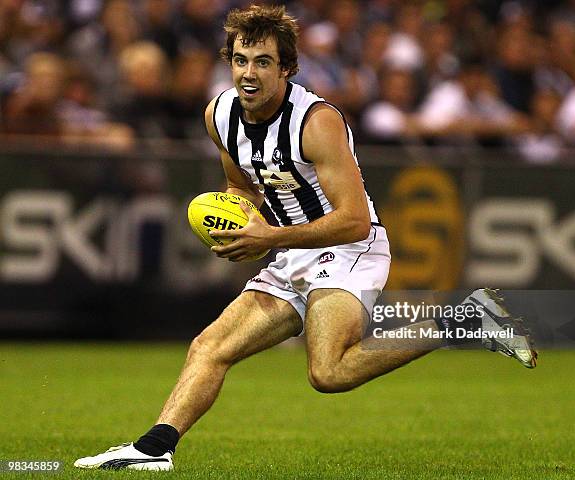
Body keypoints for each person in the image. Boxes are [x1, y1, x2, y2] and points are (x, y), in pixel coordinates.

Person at [74, 5, 537, 471]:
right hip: (288, 251)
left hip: (349, 248)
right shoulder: (219, 116)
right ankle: (154, 450)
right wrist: (237, 226)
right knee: (209, 348)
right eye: (239, 60)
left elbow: (355, 220)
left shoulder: (316, 122)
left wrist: (269, 236)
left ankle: (466, 320)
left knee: (328, 372)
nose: (248, 73)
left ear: (287, 68)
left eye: (262, 62)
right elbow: (241, 188)